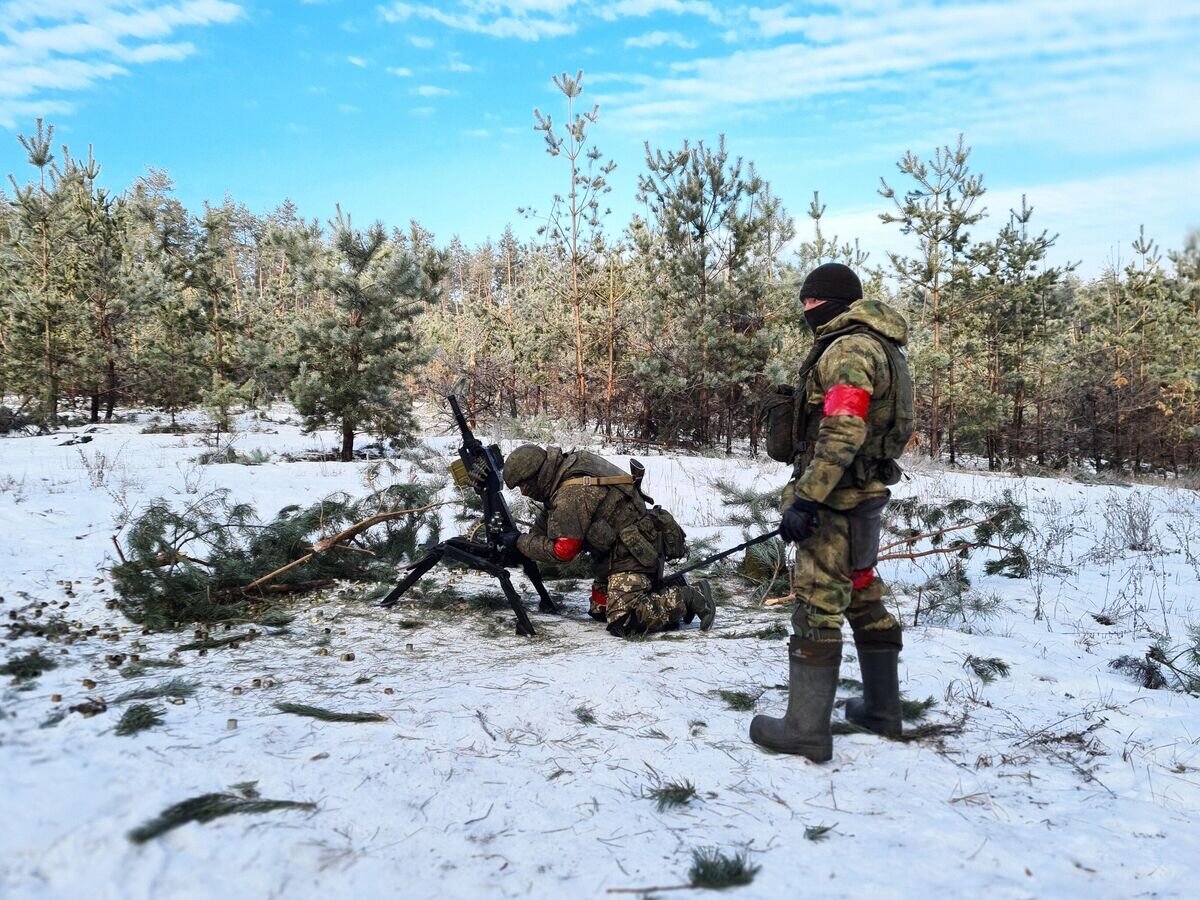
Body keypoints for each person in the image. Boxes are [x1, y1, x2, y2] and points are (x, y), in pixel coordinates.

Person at [750, 262, 914, 762]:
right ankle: (882, 710)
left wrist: (807, 498)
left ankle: (805, 730)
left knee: (819, 603)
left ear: (827, 301)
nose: (806, 311)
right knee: (861, 590)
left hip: (836, 499)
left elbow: (843, 429)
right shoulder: (884, 347)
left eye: (809, 302)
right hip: (865, 494)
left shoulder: (848, 350)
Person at [499, 444, 715, 636]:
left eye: (524, 486)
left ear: (537, 476)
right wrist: (524, 542)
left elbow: (563, 551)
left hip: (633, 554)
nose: (524, 493)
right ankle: (662, 588)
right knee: (600, 609)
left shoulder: (571, 494)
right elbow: (549, 519)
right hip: (624, 548)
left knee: (624, 620)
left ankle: (690, 596)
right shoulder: (572, 464)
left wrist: (519, 542)